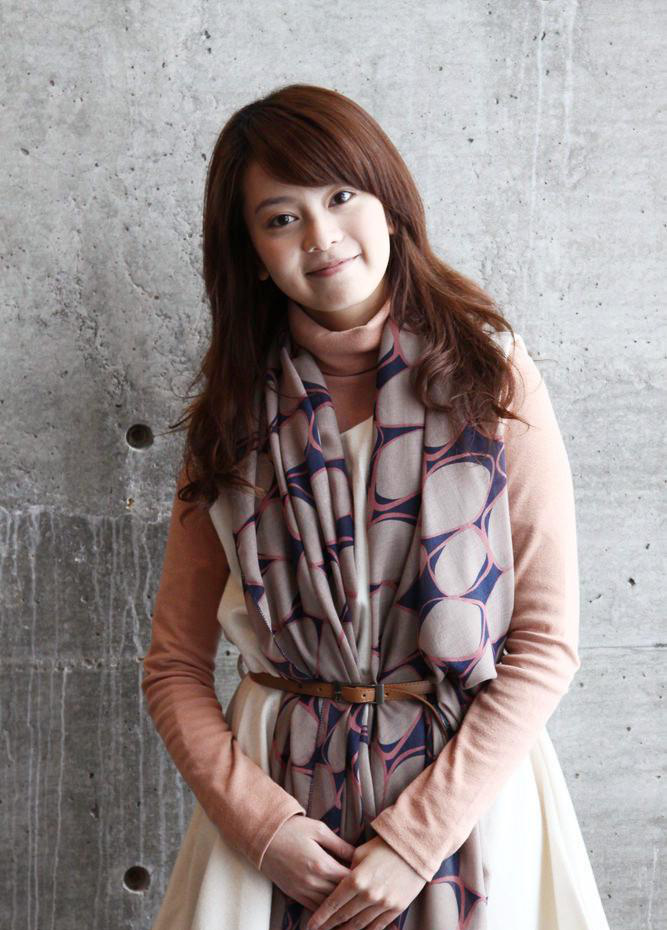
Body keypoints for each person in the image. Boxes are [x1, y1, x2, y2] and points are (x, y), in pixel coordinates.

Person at [141, 83, 611, 930]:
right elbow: (174, 667)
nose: (320, 236)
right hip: (276, 820)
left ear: (388, 205)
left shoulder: (490, 378)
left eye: (339, 196)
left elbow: (544, 644)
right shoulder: (231, 418)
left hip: (469, 813)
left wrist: (414, 840)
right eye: (280, 218)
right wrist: (263, 828)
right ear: (252, 253)